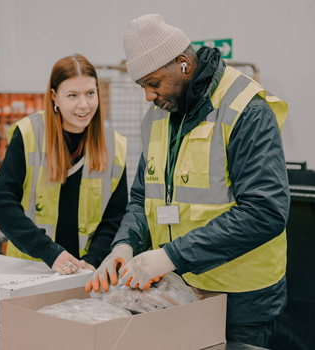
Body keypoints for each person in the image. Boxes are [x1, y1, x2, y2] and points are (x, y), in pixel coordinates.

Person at [86, 14, 289, 348]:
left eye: (153, 83)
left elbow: (264, 212)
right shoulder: (159, 116)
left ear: (182, 63)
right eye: (142, 87)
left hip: (241, 303)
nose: (148, 96)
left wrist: (168, 256)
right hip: (177, 292)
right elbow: (143, 197)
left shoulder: (246, 110)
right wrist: (124, 244)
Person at [0, 54, 128, 275]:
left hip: (86, 273)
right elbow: (0, 203)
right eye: (72, 95)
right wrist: (48, 251)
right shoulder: (29, 134)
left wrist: (93, 260)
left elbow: (115, 217)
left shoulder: (114, 146)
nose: (84, 105)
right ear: (54, 97)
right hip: (32, 268)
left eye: (90, 93)